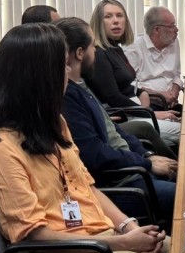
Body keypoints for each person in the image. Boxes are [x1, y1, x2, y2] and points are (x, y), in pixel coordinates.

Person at [0, 23, 169, 253]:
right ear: (37, 77)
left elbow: (87, 188)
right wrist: (121, 243)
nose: (67, 72)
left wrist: (128, 227)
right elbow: (35, 236)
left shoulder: (53, 124)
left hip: (97, 239)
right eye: (61, 66)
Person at [56, 17, 177, 224]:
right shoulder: (68, 97)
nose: (96, 51)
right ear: (80, 53)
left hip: (133, 170)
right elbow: (95, 154)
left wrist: (146, 155)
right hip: (121, 185)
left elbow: (115, 131)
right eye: (93, 46)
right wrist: (147, 163)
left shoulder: (81, 85)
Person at [83, 0, 181, 147]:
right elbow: (113, 97)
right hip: (123, 116)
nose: (115, 21)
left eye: (119, 15)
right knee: (183, 131)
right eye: (108, 16)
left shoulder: (115, 48)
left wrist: (142, 93)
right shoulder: (99, 53)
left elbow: (127, 85)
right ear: (98, 22)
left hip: (137, 110)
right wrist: (149, 112)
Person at [124, 6, 183, 111]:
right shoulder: (134, 48)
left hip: (171, 104)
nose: (176, 30)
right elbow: (128, 85)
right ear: (157, 29)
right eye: (172, 26)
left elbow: (176, 74)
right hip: (147, 106)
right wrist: (159, 95)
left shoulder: (173, 42)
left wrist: (174, 91)